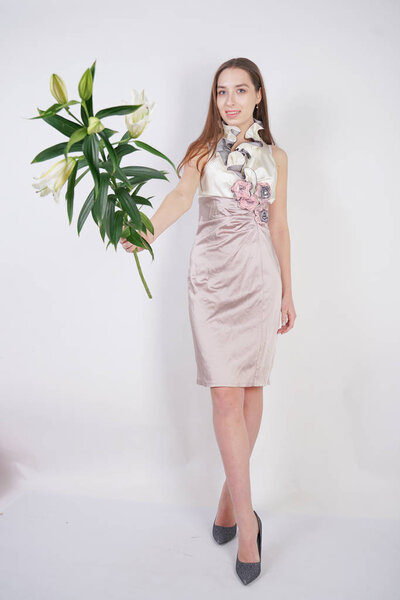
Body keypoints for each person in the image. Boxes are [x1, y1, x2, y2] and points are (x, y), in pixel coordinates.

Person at [120, 57, 296, 585]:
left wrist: (289, 291)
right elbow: (178, 198)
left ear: (259, 95)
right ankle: (249, 522)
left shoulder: (277, 157)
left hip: (259, 282)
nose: (231, 101)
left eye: (241, 90)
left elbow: (280, 226)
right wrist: (143, 232)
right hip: (212, 283)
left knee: (248, 391)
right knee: (224, 395)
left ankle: (228, 502)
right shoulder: (200, 152)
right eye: (222, 92)